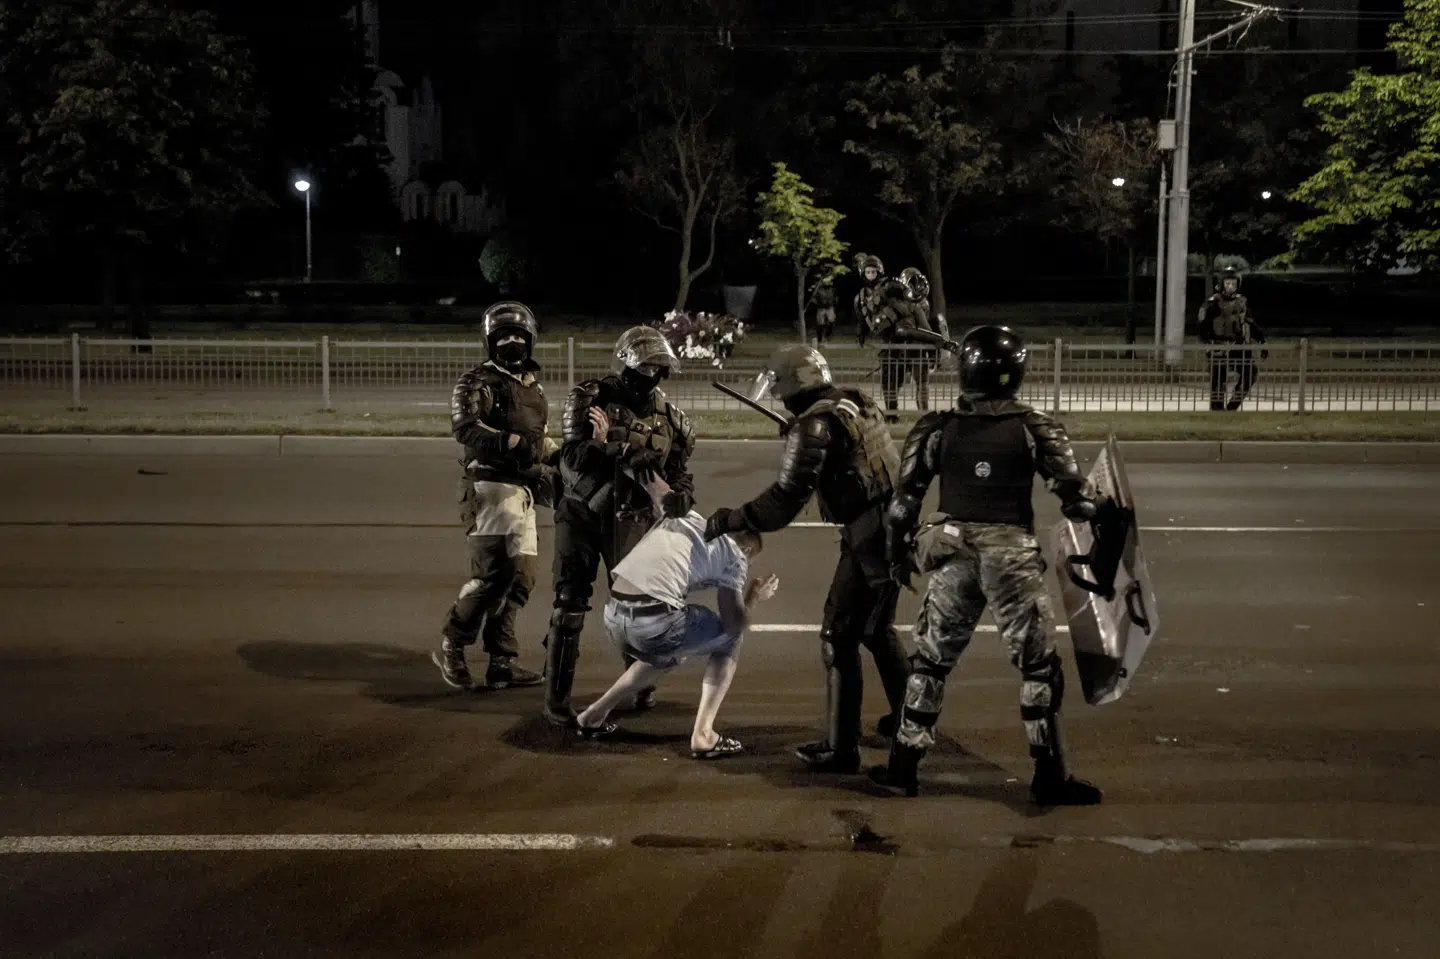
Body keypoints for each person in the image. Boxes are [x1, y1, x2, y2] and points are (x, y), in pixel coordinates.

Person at [870, 325, 1105, 805]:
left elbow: (901, 506)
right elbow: (1075, 499)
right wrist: (1103, 508)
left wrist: (897, 559)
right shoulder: (1037, 427)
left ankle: (902, 769)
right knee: (1039, 668)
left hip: (951, 549)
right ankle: (1049, 775)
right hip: (1011, 557)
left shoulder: (935, 428)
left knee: (930, 663)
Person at [703, 345, 911, 774]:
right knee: (875, 629)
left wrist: (731, 517)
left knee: (839, 634)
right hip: (893, 523)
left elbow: (783, 503)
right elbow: (847, 455)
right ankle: (910, 720)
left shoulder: (814, 426)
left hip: (870, 534)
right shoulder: (855, 401)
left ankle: (842, 749)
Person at [543, 326, 697, 727]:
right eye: (644, 365)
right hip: (581, 514)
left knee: (637, 607)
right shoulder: (590, 398)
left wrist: (680, 496)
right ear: (626, 363)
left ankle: (638, 684)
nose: (651, 374)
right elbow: (572, 459)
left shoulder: (672, 419)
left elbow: (680, 474)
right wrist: (619, 447)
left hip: (631, 521)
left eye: (658, 367)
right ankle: (557, 698)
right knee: (569, 603)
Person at [574, 474, 780, 757]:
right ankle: (704, 734)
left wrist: (638, 463)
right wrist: (754, 596)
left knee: (667, 653)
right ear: (745, 548)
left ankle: (594, 714)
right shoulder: (735, 555)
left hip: (613, 616)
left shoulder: (688, 518)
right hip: (653, 623)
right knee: (730, 638)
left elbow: (656, 486)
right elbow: (734, 624)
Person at [432, 301, 556, 690]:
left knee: (522, 578)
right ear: (490, 341)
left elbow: (543, 439)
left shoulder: (533, 389)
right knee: (490, 577)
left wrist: (564, 455)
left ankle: (501, 659)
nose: (512, 342)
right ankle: (453, 644)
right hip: (488, 490)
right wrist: (510, 441)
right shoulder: (477, 383)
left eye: (519, 335)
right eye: (503, 336)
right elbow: (466, 428)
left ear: (531, 341)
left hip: (523, 492)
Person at [854, 255, 957, 422]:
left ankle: (923, 417)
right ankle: (892, 416)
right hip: (891, 344)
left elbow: (922, 329)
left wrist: (938, 349)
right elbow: (867, 321)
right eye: (868, 271)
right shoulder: (864, 297)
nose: (871, 274)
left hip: (912, 344)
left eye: (874, 271)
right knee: (890, 384)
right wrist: (862, 331)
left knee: (921, 385)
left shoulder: (900, 295)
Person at [1197, 267, 1267, 411]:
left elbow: (1250, 323)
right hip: (1219, 346)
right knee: (1218, 382)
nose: (1230, 287)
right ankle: (1217, 412)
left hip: (1238, 346)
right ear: (1221, 284)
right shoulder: (1212, 303)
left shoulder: (1242, 302)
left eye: (1233, 284)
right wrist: (1209, 341)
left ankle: (1232, 406)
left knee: (1250, 373)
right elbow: (1202, 325)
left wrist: (1261, 341)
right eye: (1227, 283)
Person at [812, 275, 837, 346]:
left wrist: (834, 303)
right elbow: (814, 298)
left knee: (831, 321)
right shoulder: (819, 289)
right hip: (821, 308)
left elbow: (835, 297)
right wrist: (817, 304)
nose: (828, 283)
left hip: (829, 307)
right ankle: (819, 338)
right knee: (820, 324)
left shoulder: (832, 289)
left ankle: (827, 335)